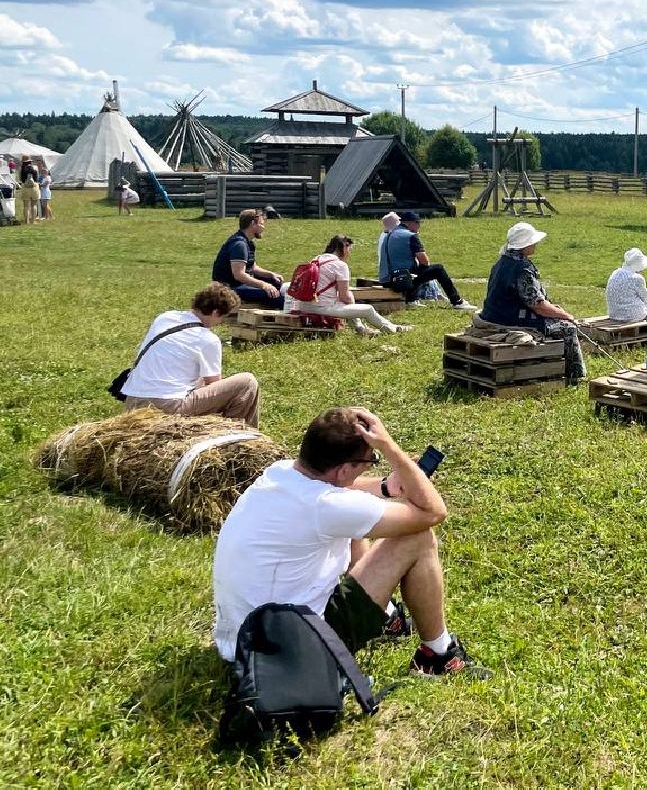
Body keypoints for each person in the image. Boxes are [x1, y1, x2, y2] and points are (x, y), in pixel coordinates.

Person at [212, 406, 479, 676]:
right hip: (295, 652)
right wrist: (390, 448)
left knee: (354, 523)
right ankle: (439, 654)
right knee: (418, 537)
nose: (370, 466)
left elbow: (342, 490)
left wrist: (386, 485)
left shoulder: (279, 473)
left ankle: (384, 617)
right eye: (369, 461)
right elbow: (433, 512)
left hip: (242, 644)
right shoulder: (327, 507)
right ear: (343, 469)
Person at [121, 282, 260, 426]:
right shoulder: (208, 339)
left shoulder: (164, 318)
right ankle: (234, 433)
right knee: (247, 382)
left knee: (198, 377)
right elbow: (214, 384)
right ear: (215, 313)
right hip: (167, 407)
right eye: (223, 317)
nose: (221, 322)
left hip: (134, 401)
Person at [478, 222, 586, 384]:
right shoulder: (522, 268)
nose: (535, 244)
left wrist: (553, 309)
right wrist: (566, 315)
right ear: (525, 245)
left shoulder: (502, 261)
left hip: (494, 313)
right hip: (509, 318)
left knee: (557, 317)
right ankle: (575, 376)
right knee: (567, 328)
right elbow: (538, 305)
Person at [286, 235, 413, 336]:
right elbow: (344, 296)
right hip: (321, 308)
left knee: (349, 297)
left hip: (303, 305)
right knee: (367, 309)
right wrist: (352, 306)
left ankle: (360, 327)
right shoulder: (340, 265)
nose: (349, 253)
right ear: (344, 247)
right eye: (349, 249)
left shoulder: (316, 259)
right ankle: (393, 329)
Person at [380, 210, 476, 310]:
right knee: (438, 269)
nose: (419, 225)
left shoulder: (389, 235)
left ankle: (412, 299)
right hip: (401, 282)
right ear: (410, 223)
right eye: (417, 222)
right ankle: (457, 301)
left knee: (415, 271)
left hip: (386, 280)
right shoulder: (410, 236)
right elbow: (424, 261)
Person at [212, 209, 286, 309]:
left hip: (240, 283)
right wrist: (263, 285)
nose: (263, 227)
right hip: (230, 287)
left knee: (276, 283)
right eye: (261, 224)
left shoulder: (248, 242)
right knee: (272, 295)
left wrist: (271, 274)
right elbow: (239, 275)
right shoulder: (239, 245)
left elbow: (252, 267)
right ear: (252, 223)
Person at [604, 247, 647, 323]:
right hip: (631, 315)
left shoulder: (615, 273)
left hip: (614, 313)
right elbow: (646, 298)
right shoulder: (637, 278)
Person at [16, 158, 40, 225]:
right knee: (34, 205)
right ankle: (33, 221)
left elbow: (20, 179)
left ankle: (26, 221)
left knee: (26, 206)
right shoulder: (35, 167)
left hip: (25, 187)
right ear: (30, 161)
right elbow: (37, 177)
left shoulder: (21, 168)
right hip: (34, 186)